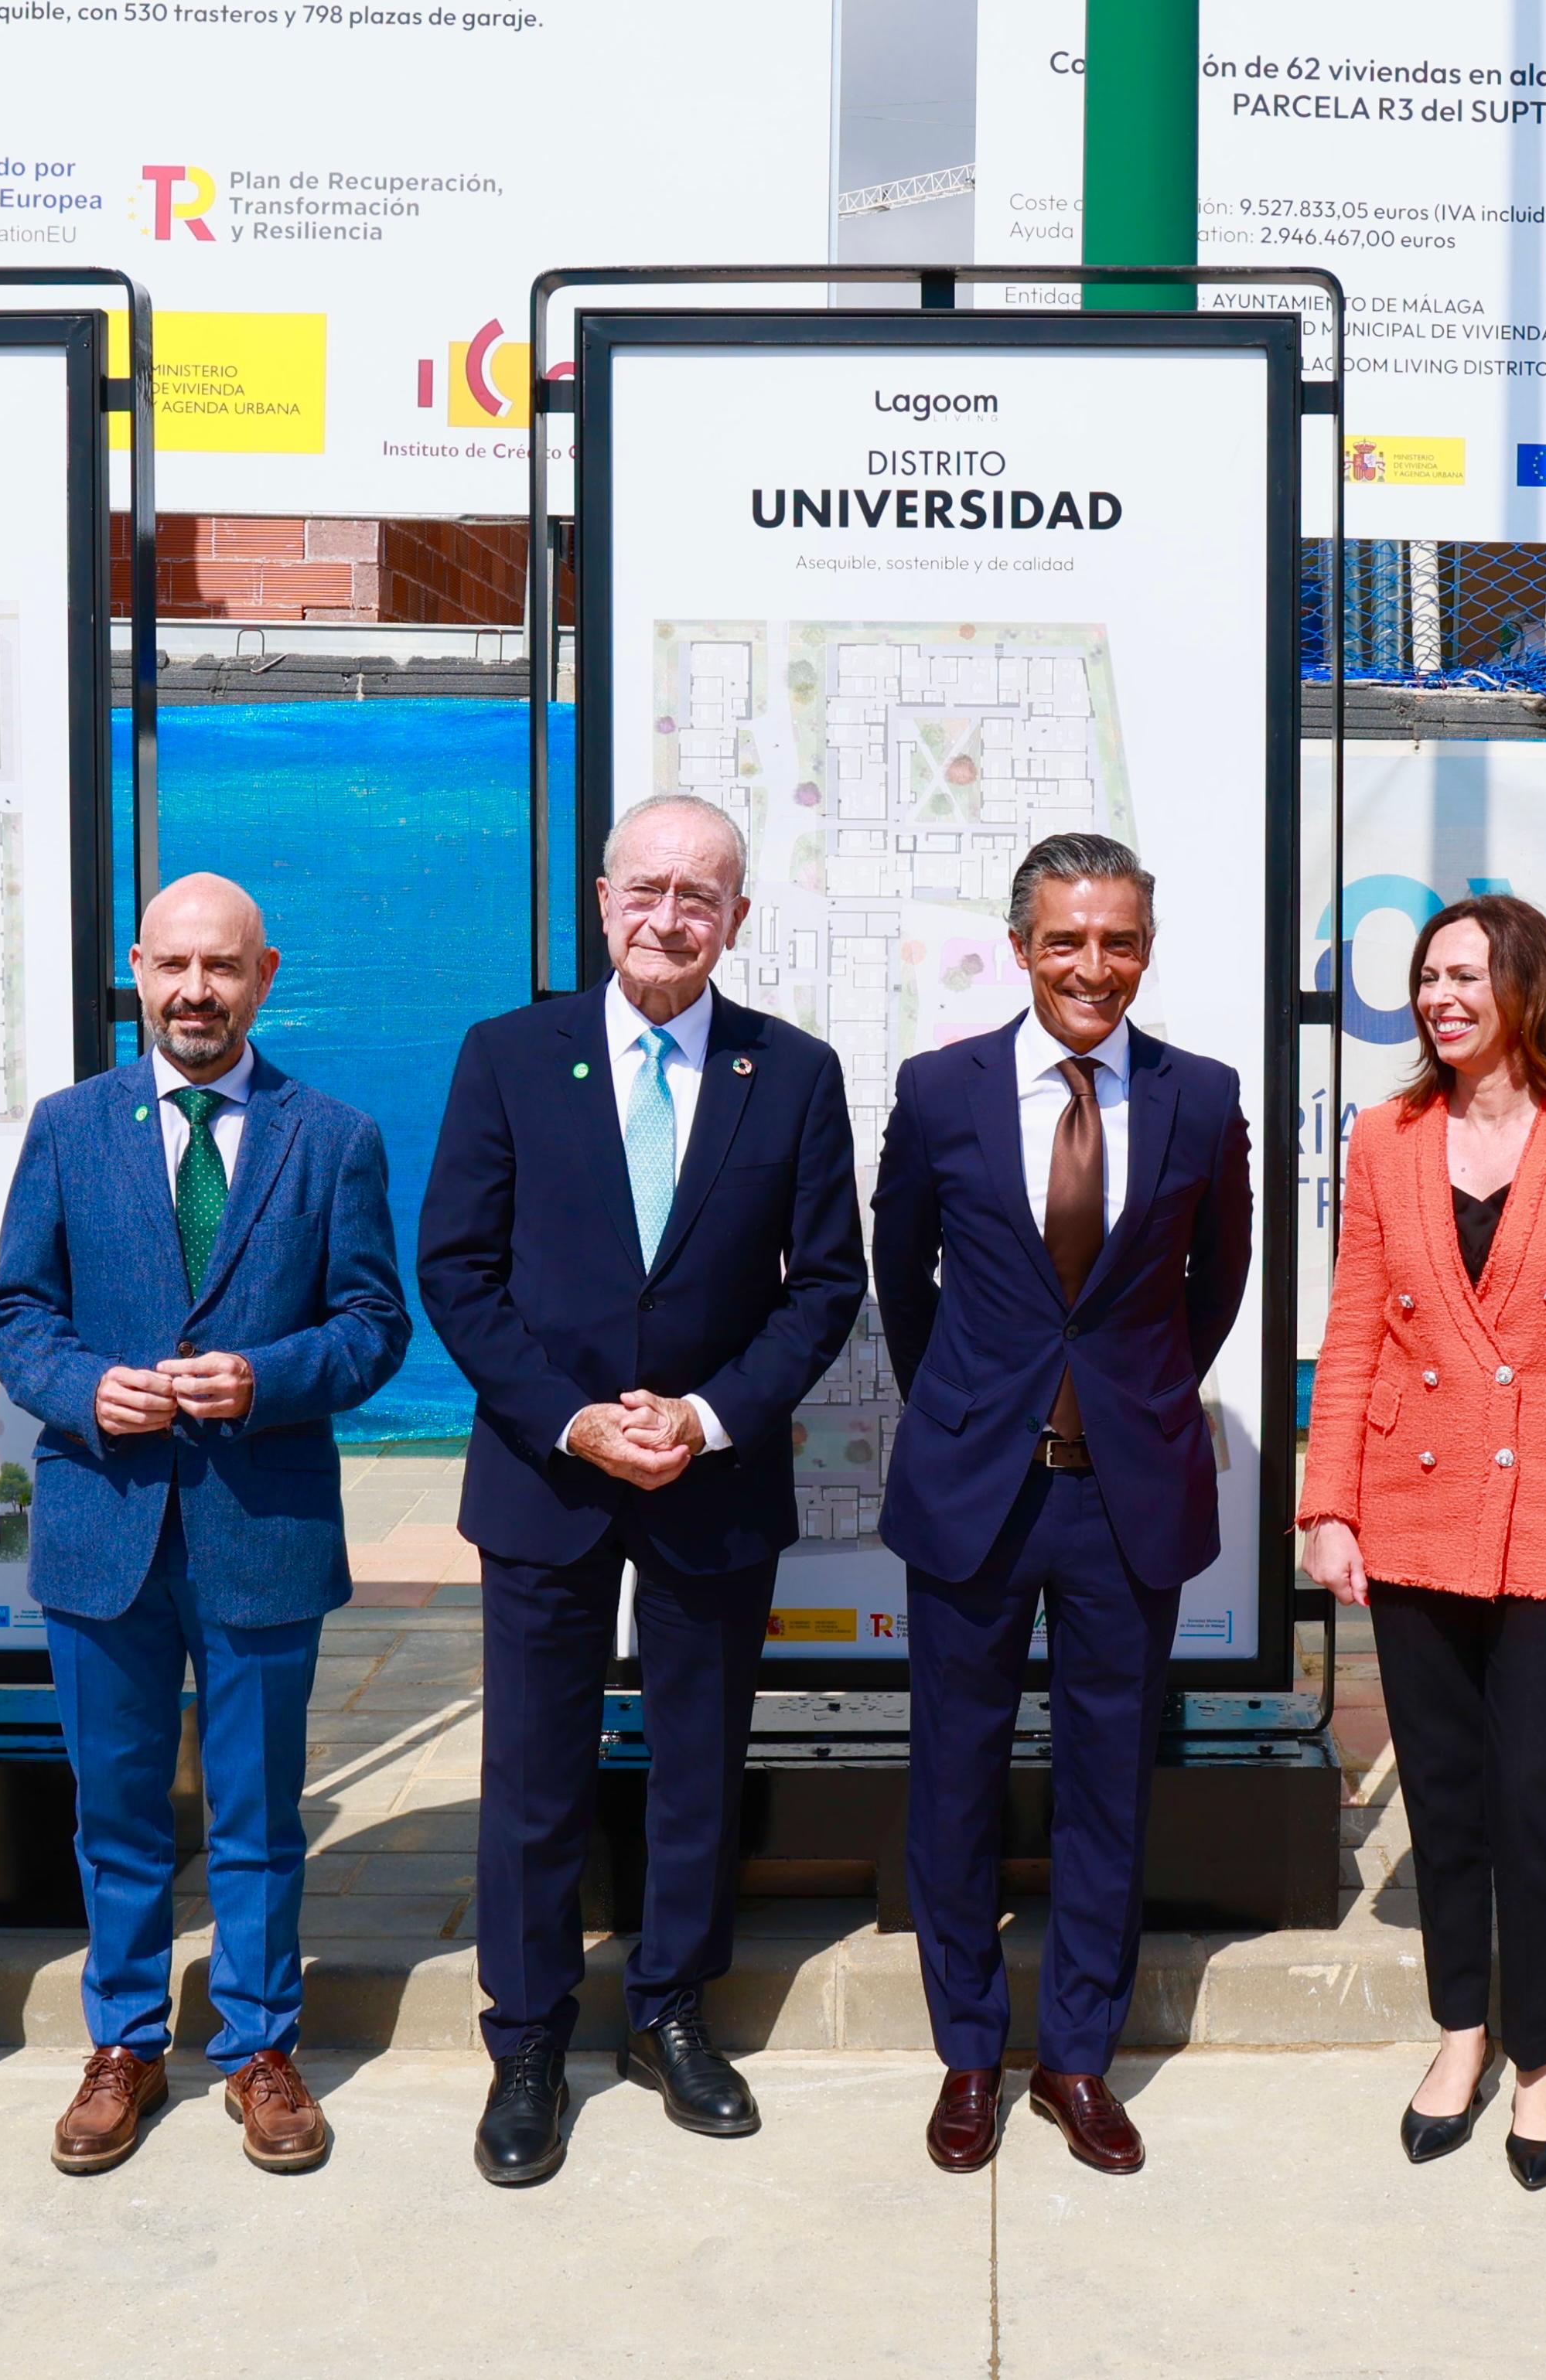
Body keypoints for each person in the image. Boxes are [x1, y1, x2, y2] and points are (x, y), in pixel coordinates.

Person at [418, 793, 864, 2188]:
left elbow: (825, 1287)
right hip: (545, 1475)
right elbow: (456, 1270)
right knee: (532, 1769)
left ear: (737, 918)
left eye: (701, 895)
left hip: (708, 1479)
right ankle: (527, 2037)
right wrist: (571, 1421)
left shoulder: (791, 1072)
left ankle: (670, 2010)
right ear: (603, 900)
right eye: (649, 889)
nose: (671, 917)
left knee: (696, 1762)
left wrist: (707, 1415)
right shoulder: (507, 1055)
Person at [0, 872, 411, 2179]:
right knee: (115, 1808)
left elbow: (373, 1324)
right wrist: (80, 1387)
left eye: (221, 967)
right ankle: (122, 2042)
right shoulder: (69, 1127)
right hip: (102, 1522)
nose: (195, 991)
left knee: (258, 1812)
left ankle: (259, 2045)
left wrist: (266, 1377)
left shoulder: (332, 1136)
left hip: (259, 1523)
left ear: (263, 976)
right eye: (172, 965)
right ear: (137, 969)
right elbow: (15, 1310)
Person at [873, 831, 1253, 2179]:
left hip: (1125, 1499)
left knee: (1109, 1784)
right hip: (973, 1490)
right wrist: (973, 1410)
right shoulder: (940, 1091)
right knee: (954, 1781)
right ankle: (970, 2053)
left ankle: (1076, 2057)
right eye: (1066, 940)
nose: (1093, 966)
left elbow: (1215, 1284)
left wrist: (1132, 1401)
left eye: (1118, 940)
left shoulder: (1202, 1097)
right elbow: (902, 1281)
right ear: (1020, 946)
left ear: (1145, 947)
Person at [1299, 895, 1546, 2193]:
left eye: (1463, 974)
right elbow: (1353, 1326)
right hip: (1409, 1505)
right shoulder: (1385, 1134)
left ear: (1525, 986)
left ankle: (1540, 2054)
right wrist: (1328, 1502)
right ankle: (1460, 2030)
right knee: (1444, 1790)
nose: (1437, 996)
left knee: (1532, 1790)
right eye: (1424, 977)